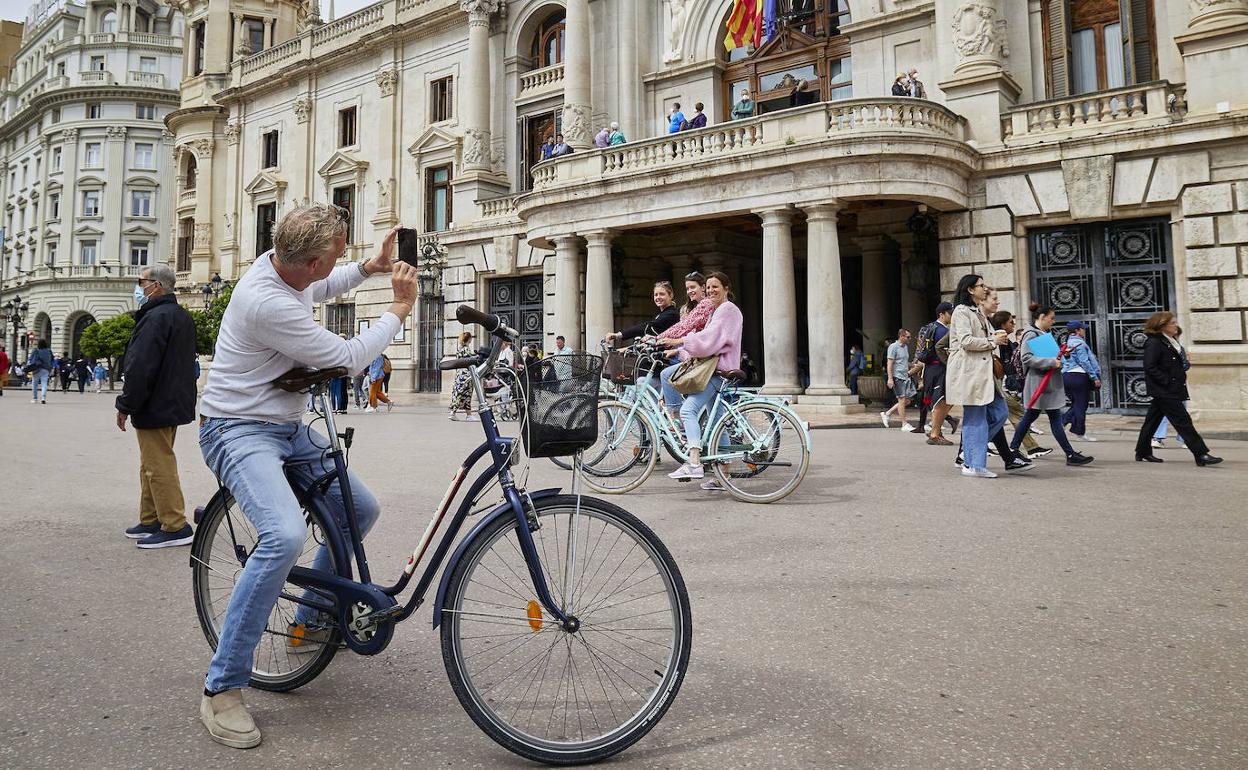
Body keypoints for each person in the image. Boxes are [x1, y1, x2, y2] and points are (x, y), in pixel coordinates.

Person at [195, 205, 418, 748]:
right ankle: (222, 687)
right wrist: (399, 308)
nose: (339, 261)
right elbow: (347, 358)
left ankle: (310, 621)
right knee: (283, 536)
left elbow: (322, 287)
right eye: (337, 254)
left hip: (287, 426)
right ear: (312, 259)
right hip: (237, 429)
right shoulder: (265, 300)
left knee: (359, 509)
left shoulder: (285, 269)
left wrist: (370, 265)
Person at [117, 263, 198, 549]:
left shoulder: (154, 319)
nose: (139, 287)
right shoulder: (180, 316)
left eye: (143, 282)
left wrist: (125, 404)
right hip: (172, 400)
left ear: (157, 286)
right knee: (151, 462)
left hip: (155, 401)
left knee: (158, 464)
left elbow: (140, 367)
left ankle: (175, 525)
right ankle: (150, 518)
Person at [659, 271, 742, 490]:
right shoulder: (719, 310)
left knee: (688, 411)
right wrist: (680, 346)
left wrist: (679, 341)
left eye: (716, 286)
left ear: (726, 288)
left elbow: (708, 339)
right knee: (717, 424)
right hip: (718, 369)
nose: (711, 290)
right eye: (709, 287)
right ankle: (724, 476)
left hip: (717, 371)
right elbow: (707, 339)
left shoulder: (727, 309)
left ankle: (694, 461)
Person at [1007, 302, 1093, 467]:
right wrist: (1051, 362)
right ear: (1042, 317)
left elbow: (1048, 355)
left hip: (1046, 383)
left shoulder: (1042, 332)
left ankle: (1068, 454)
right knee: (1036, 418)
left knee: (1042, 418)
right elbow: (1027, 358)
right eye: (1051, 318)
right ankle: (1068, 454)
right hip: (1039, 383)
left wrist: (1063, 355)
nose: (1053, 321)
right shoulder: (1031, 333)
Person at [1134, 312, 1221, 466]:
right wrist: (1168, 381)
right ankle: (1201, 454)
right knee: (1183, 421)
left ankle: (1142, 451)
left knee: (1152, 422)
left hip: (1169, 389)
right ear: (1162, 325)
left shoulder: (1170, 341)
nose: (1176, 325)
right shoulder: (1154, 342)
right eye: (1173, 323)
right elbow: (1150, 367)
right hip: (1165, 390)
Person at [946, 274, 1010, 478]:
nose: (985, 289)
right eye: (981, 286)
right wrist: (993, 342)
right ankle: (974, 464)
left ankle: (971, 453)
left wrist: (997, 338)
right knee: (976, 418)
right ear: (970, 290)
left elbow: (983, 338)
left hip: (983, 373)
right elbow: (965, 341)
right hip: (970, 372)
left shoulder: (978, 312)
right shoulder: (961, 312)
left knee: (1000, 412)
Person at [991, 310, 1050, 459]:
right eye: (1011, 322)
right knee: (1016, 414)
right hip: (998, 384)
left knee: (1003, 415)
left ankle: (1024, 447)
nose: (1014, 324)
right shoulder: (1000, 339)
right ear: (1002, 324)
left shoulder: (1009, 341)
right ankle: (1028, 448)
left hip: (1001, 384)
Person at [915, 302, 960, 444]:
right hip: (940, 369)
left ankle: (936, 431)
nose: (952, 316)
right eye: (950, 313)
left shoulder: (931, 328)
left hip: (931, 369)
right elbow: (945, 350)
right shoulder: (942, 331)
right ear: (942, 314)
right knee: (942, 400)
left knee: (937, 400)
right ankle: (935, 433)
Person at [1059, 320, 1101, 442]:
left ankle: (1065, 421)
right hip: (1079, 376)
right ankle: (1078, 431)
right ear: (1077, 330)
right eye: (1083, 328)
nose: (1084, 330)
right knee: (1081, 405)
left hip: (1066, 376)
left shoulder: (1065, 344)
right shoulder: (1080, 344)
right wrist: (1094, 377)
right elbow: (1085, 361)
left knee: (1077, 404)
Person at [880, 329, 917, 432]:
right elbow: (890, 364)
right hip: (897, 376)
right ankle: (904, 423)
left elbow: (903, 362)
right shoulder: (893, 347)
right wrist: (890, 379)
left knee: (907, 400)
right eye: (908, 337)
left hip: (905, 376)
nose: (910, 339)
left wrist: (913, 365)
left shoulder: (905, 347)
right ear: (901, 336)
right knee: (901, 399)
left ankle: (887, 414)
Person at [448, 330, 476, 421]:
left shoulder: (459, 349)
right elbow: (468, 361)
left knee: (458, 392)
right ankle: (468, 415)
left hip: (459, 374)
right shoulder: (466, 349)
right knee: (467, 393)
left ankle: (455, 412)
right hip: (466, 374)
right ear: (469, 339)